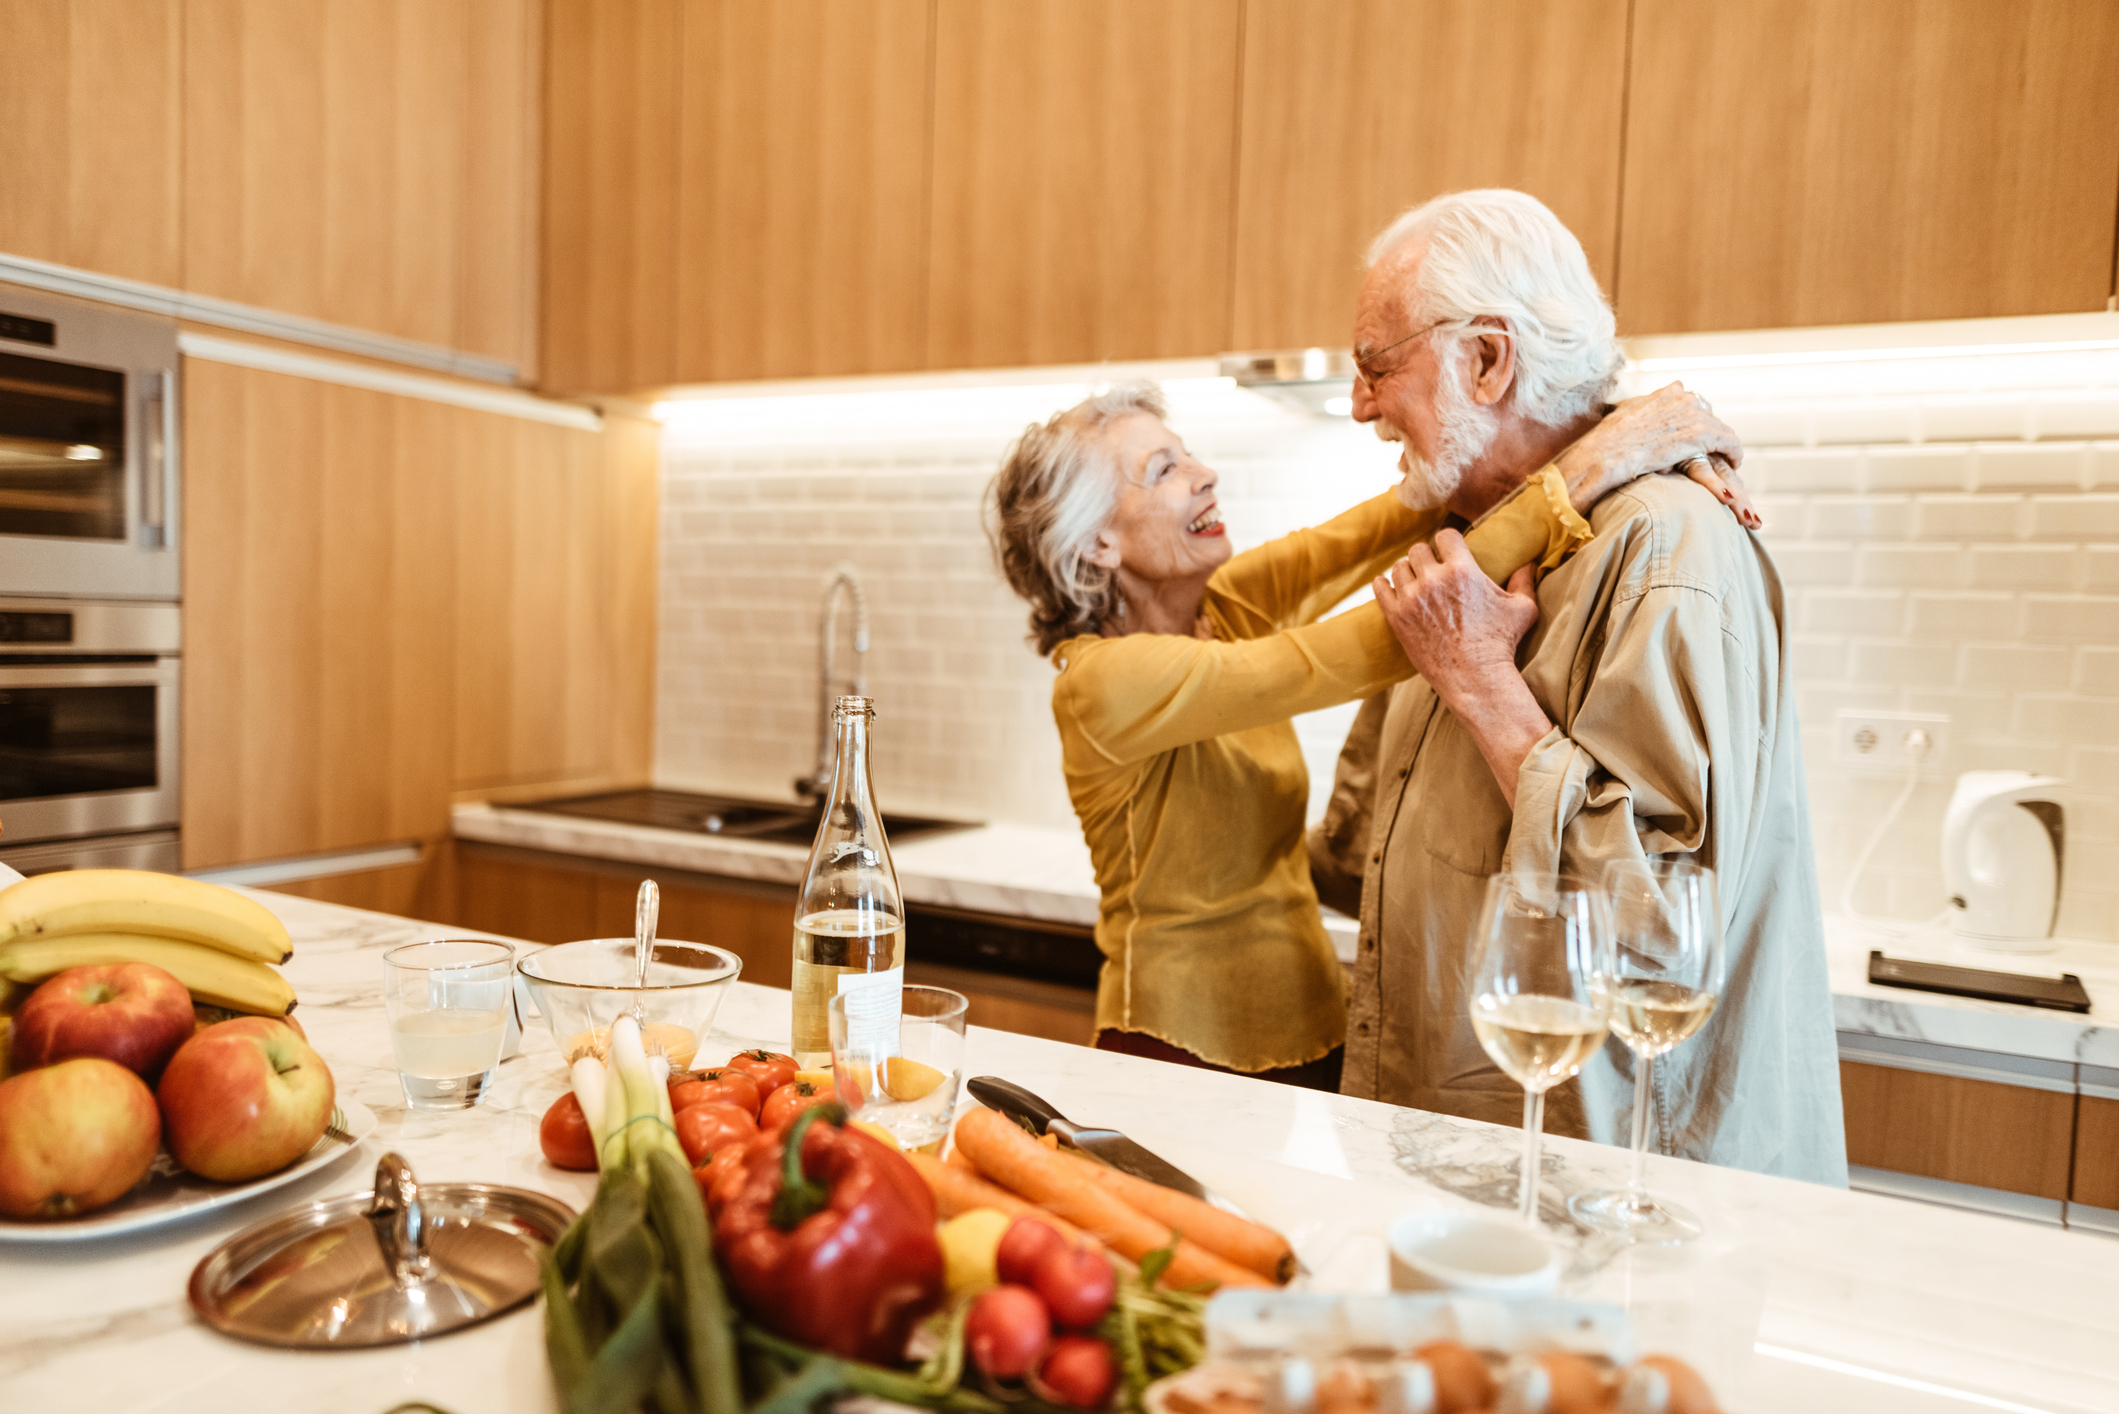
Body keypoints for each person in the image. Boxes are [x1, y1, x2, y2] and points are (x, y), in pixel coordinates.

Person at [985, 378, 1747, 1088]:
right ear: (1096, 543)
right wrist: (1594, 465)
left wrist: (1611, 429)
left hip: (1316, 1028)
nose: (1203, 474)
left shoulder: (1221, 607)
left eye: (1186, 454)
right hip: (1177, 1046)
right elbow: (1376, 641)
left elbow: (1393, 521)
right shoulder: (1102, 681)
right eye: (1162, 471)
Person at [1311, 189, 1845, 1182]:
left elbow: (1659, 926)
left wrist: (1483, 687)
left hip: (1617, 1188)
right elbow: (1360, 861)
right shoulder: (1460, 546)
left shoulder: (1664, 546)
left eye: (1376, 367)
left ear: (1487, 358)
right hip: (1453, 1167)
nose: (1359, 405)